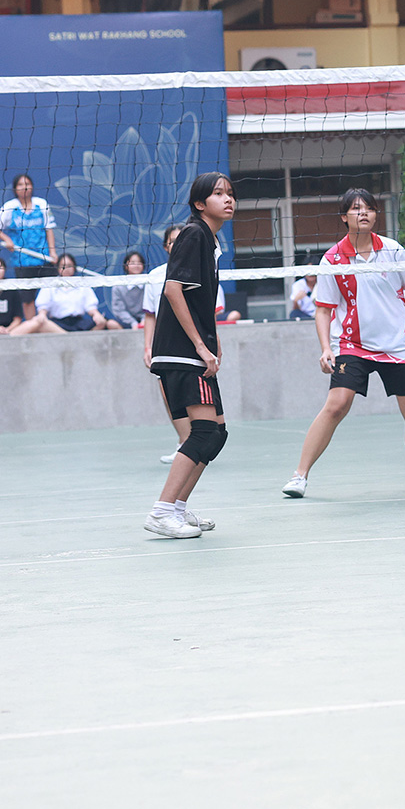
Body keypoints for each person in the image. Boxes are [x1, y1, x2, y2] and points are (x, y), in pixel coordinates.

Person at [283, 188, 405, 498]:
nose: (363, 213)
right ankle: (299, 476)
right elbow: (323, 310)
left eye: (369, 207)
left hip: (397, 344)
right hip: (352, 345)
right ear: (344, 217)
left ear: (376, 214)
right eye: (356, 209)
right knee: (336, 405)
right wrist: (326, 348)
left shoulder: (393, 250)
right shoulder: (333, 258)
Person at [142, 172, 235, 539]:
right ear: (199, 203)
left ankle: (177, 509)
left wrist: (213, 339)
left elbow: (199, 301)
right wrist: (198, 344)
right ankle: (161, 511)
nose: (228, 199)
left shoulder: (209, 240)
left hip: (194, 350)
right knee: (204, 431)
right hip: (181, 352)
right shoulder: (194, 234)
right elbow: (172, 290)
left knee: (217, 434)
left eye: (230, 193)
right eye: (218, 193)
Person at [144, 226, 191, 464]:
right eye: (172, 241)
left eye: (181, 240)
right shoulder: (154, 276)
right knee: (168, 392)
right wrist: (147, 347)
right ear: (165, 247)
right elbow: (149, 315)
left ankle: (197, 443)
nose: (177, 244)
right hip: (164, 344)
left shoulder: (199, 271)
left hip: (191, 343)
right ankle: (184, 442)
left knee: (193, 394)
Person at [0, 173, 57, 321]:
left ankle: (49, 325)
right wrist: (7, 239)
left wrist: (52, 252)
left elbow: (49, 229)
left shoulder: (41, 204)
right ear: (15, 189)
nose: (24, 187)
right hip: (22, 260)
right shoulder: (10, 207)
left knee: (50, 292)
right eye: (20, 184)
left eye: (27, 184)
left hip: (44, 258)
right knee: (27, 297)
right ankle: (32, 326)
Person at [30, 254, 121, 332]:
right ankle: (70, 338)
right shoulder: (50, 284)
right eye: (63, 266)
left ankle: (73, 339)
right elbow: (43, 306)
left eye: (69, 266)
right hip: (57, 324)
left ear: (74, 267)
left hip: (78, 323)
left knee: (106, 323)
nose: (66, 269)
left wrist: (96, 314)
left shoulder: (82, 284)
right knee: (38, 324)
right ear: (58, 268)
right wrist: (42, 315)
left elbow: (90, 306)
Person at [111, 251, 147, 329]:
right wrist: (133, 323)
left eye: (139, 262)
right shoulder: (118, 287)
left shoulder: (148, 285)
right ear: (126, 266)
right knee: (111, 324)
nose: (136, 265)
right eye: (133, 263)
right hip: (126, 321)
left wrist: (144, 320)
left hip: (147, 319)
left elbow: (151, 307)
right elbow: (119, 310)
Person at [0, 259, 25, 334]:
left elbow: (18, 318)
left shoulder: (12, 289)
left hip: (11, 331)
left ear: (5, 269)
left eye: (0, 267)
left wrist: (7, 330)